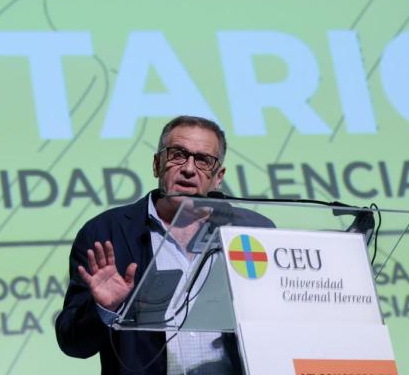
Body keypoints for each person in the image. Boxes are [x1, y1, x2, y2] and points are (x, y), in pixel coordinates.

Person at [55, 115, 271, 374]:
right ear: (157, 164)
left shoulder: (252, 232)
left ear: (218, 176)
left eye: (203, 160)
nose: (189, 169)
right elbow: (73, 344)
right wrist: (104, 309)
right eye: (177, 155)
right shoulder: (106, 232)